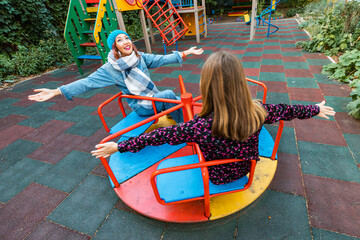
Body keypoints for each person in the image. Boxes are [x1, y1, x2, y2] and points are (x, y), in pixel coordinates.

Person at [91, 51, 335, 185]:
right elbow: (287, 110)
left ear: (207, 86)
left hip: (216, 176)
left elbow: (160, 135)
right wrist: (314, 109)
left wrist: (120, 145)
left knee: (182, 137)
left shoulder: (200, 126)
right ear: (240, 82)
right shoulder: (258, 111)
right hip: (246, 169)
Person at [28, 30, 204, 123]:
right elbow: (87, 83)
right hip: (141, 105)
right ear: (114, 47)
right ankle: (188, 128)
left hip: (151, 99)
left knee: (173, 97)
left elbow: (161, 59)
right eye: (119, 40)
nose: (125, 42)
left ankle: (178, 116)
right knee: (167, 95)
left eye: (126, 38)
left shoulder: (139, 57)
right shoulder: (109, 69)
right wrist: (57, 91)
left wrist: (186, 52)